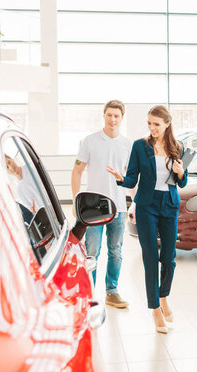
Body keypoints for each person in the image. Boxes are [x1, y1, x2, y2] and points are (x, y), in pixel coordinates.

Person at [107, 105, 187, 333]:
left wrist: (181, 173)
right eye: (149, 123)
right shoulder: (140, 146)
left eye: (156, 124)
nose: (152, 128)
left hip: (169, 205)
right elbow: (132, 179)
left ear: (167, 124)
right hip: (146, 207)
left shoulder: (177, 147)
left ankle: (163, 297)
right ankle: (155, 310)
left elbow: (181, 182)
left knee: (169, 258)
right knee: (151, 258)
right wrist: (121, 179)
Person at [71, 100, 132, 308]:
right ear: (103, 116)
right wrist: (75, 199)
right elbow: (77, 170)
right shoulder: (90, 141)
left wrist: (135, 202)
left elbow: (131, 177)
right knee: (92, 251)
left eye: (116, 116)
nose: (112, 119)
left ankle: (112, 291)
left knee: (115, 250)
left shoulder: (128, 145)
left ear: (121, 118)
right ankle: (89, 293)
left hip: (119, 208)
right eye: (109, 115)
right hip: (93, 208)